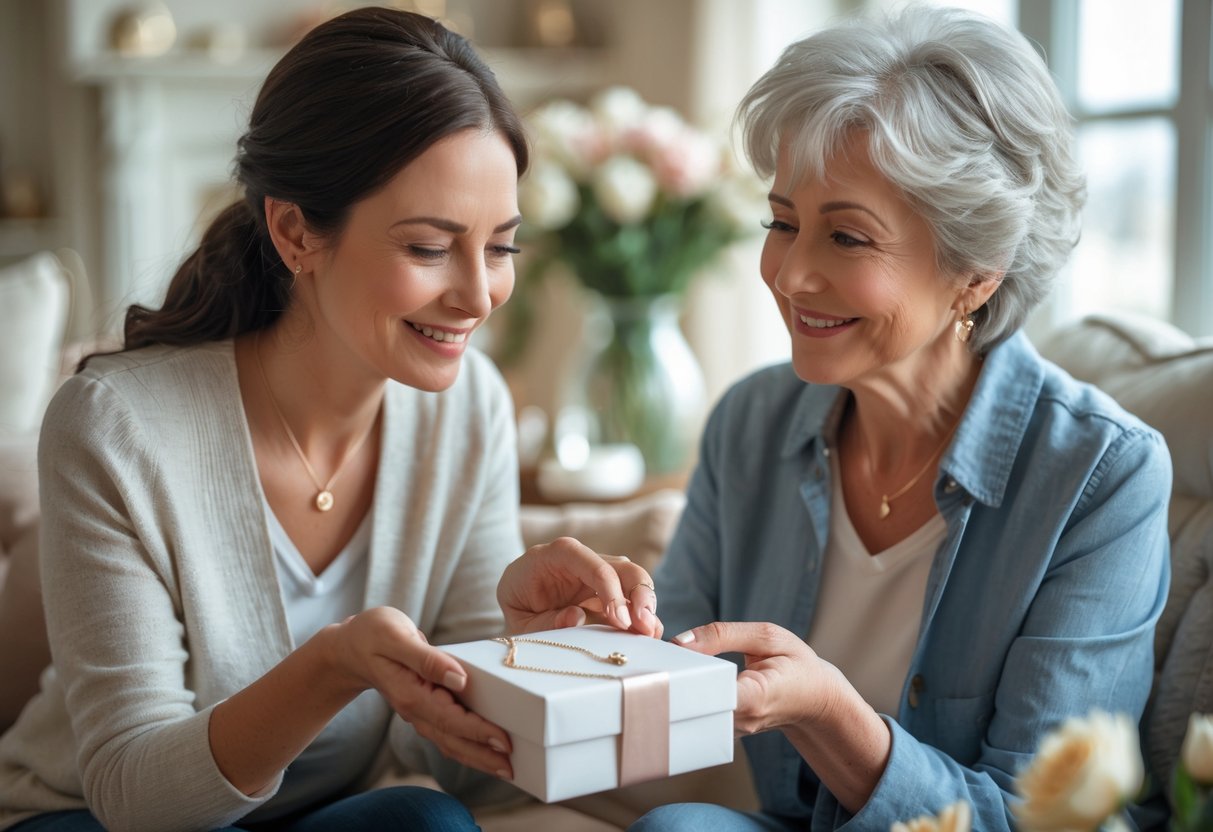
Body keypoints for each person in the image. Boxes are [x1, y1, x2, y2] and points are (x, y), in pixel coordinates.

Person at [0, 8, 659, 832]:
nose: (478, 293)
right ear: (295, 232)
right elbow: (137, 797)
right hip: (94, 818)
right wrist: (333, 667)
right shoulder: (116, 427)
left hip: (321, 816)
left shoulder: (470, 407)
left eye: (500, 247)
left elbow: (474, 777)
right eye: (428, 247)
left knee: (430, 823)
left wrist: (516, 658)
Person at [633, 6, 1171, 831]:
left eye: (847, 238)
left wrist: (827, 715)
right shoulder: (751, 421)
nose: (791, 275)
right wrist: (581, 647)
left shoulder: (1100, 475)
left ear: (974, 274)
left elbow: (1043, 819)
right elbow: (660, 695)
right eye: (782, 222)